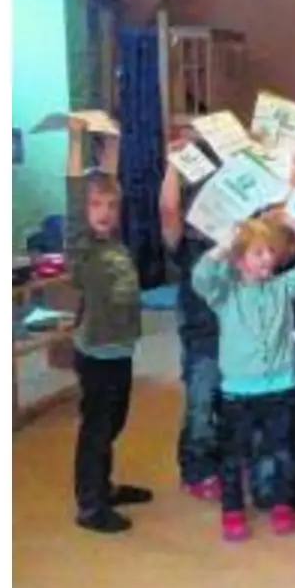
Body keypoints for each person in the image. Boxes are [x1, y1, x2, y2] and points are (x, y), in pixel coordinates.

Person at [192, 210, 295, 541]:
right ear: (240, 262)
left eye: (270, 251)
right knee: (234, 455)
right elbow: (201, 277)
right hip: (237, 392)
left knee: (282, 450)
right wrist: (224, 246)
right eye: (258, 252)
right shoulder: (226, 294)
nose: (268, 258)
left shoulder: (281, 288)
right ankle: (233, 509)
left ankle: (282, 504)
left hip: (280, 387)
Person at [64, 119, 148, 534]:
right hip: (97, 353)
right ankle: (90, 504)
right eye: (95, 206)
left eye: (111, 206)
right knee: (98, 427)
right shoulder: (82, 246)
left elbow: (110, 182)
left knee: (114, 422)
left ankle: (103, 485)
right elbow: (75, 190)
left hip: (121, 350)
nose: (104, 212)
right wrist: (78, 139)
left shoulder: (114, 241)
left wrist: (113, 141)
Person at [159, 131, 221, 503]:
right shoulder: (188, 244)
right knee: (202, 400)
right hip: (201, 333)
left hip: (235, 333)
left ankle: (222, 462)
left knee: (228, 401)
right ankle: (196, 469)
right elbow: (168, 211)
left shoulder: (232, 239)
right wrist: (173, 163)